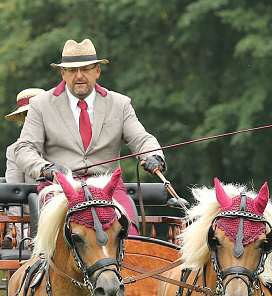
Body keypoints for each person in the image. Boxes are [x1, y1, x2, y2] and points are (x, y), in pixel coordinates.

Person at [13, 38, 166, 227]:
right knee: (60, 240)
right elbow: (24, 148)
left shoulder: (120, 104)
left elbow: (141, 139)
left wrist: (154, 156)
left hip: (108, 187)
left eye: (85, 69)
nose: (79, 76)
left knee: (129, 238)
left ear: (97, 71)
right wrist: (45, 168)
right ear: (63, 73)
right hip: (60, 188)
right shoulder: (40, 105)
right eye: (72, 70)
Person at [2, 87, 46, 248]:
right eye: (27, 114)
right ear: (22, 118)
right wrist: (18, 237)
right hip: (30, 225)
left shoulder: (66, 144)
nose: (32, 118)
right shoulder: (14, 151)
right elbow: (15, 196)